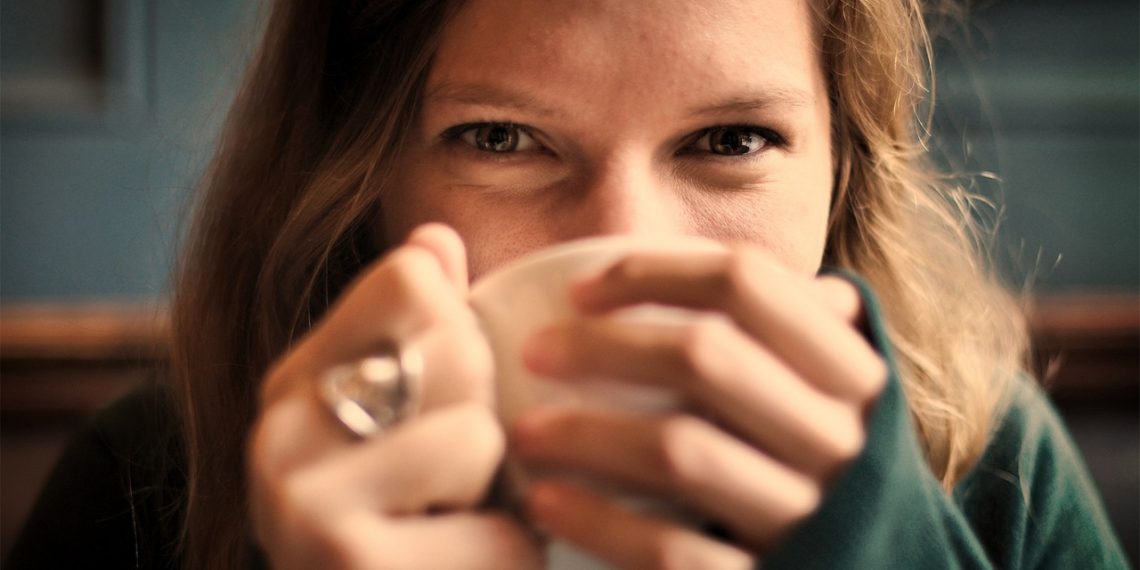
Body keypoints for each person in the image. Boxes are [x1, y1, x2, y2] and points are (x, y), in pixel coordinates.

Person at [8, 0, 1128, 568]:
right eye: (501, 138)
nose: (627, 246)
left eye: (731, 140)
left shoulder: (986, 469)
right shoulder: (155, 481)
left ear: (846, 170)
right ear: (362, 177)